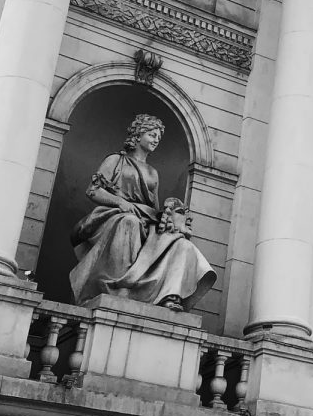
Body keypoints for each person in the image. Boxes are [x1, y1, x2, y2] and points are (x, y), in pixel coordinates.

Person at [69, 114, 215, 311]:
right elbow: (93, 190)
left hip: (144, 219)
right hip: (112, 216)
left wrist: (171, 218)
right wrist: (120, 202)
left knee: (180, 242)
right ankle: (117, 286)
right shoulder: (116, 160)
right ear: (138, 135)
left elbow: (154, 209)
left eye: (158, 137)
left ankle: (169, 295)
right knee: (129, 223)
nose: (156, 140)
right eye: (152, 135)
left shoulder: (153, 173)